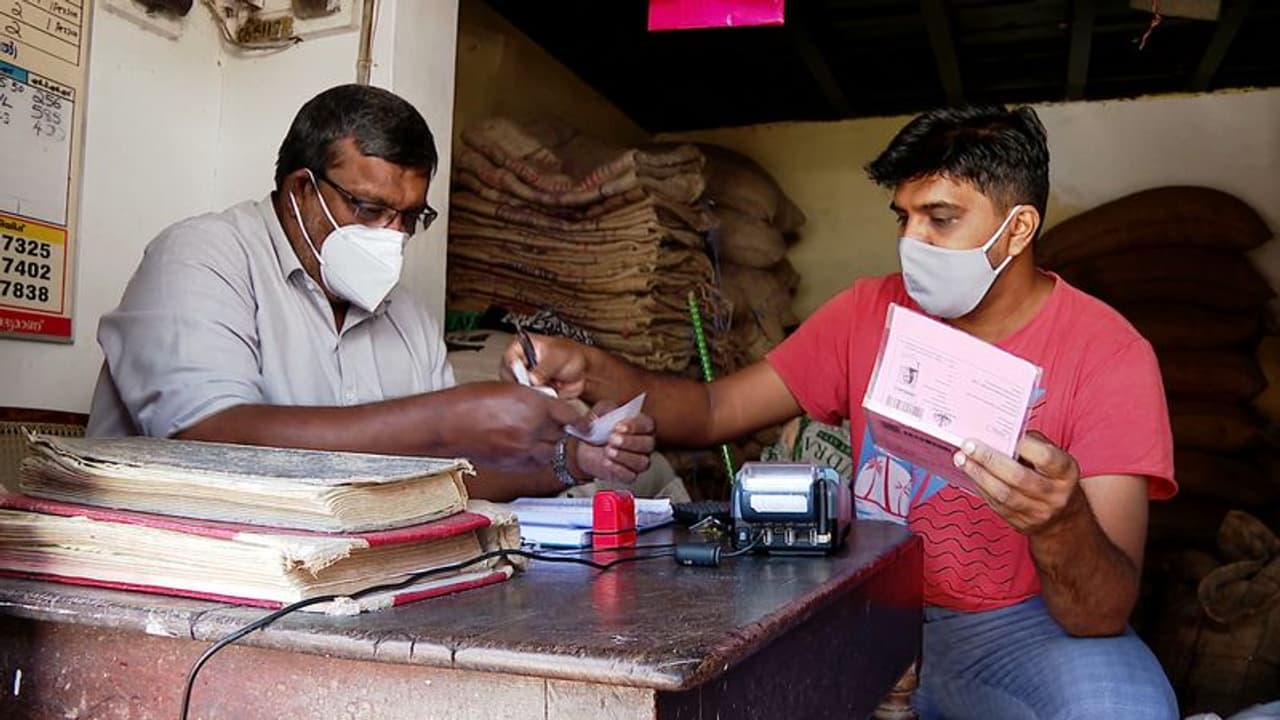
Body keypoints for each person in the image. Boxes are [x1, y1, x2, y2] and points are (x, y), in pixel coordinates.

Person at [505, 105, 1179, 718]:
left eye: (940, 219)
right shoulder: (869, 311)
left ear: (1018, 228)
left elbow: (1099, 614)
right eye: (903, 218)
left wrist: (1060, 522)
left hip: (1011, 630)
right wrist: (592, 368)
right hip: (863, 604)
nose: (912, 241)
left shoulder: (1108, 355)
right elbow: (713, 409)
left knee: (1127, 707)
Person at [87, 84, 653, 501]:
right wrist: (445, 419)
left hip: (336, 584)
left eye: (410, 217)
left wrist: (575, 458)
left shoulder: (406, 316)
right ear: (301, 190)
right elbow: (208, 441)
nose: (393, 234)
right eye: (370, 209)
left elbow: (449, 478)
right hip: (180, 586)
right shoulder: (200, 257)